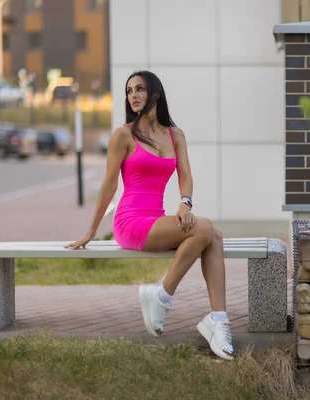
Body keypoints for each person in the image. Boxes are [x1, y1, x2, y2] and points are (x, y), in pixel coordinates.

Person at [65, 70, 234, 361]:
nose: (133, 95)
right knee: (205, 229)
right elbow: (109, 184)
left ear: (155, 94)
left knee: (213, 235)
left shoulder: (175, 135)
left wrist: (185, 204)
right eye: (129, 91)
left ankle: (218, 321)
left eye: (139, 89)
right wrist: (92, 230)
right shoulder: (123, 135)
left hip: (157, 218)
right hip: (130, 221)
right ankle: (162, 295)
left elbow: (186, 178)